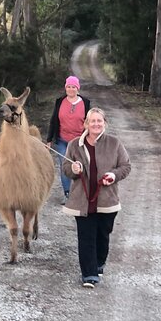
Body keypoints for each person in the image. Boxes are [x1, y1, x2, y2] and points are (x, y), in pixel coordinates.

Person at [62, 107, 131, 288]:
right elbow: (66, 169)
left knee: (103, 235)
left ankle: (99, 263)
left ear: (104, 123)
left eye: (99, 121)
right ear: (86, 124)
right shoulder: (74, 145)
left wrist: (113, 175)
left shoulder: (114, 143)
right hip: (82, 200)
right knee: (86, 236)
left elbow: (126, 166)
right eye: (92, 121)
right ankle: (89, 274)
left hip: (107, 200)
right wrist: (74, 170)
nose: (96, 124)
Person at [46, 75, 91, 204]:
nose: (71, 89)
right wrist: (49, 140)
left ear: (78, 88)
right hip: (62, 140)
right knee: (65, 166)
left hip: (79, 141)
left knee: (79, 166)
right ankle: (68, 194)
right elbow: (54, 121)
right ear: (65, 88)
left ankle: (80, 192)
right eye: (68, 87)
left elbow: (89, 122)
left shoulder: (85, 103)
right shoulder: (60, 101)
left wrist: (90, 138)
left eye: (73, 87)